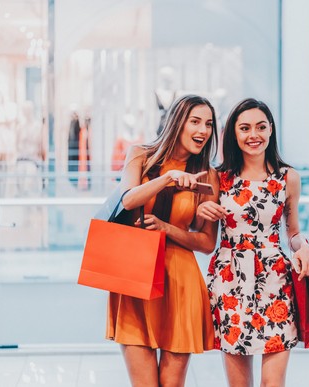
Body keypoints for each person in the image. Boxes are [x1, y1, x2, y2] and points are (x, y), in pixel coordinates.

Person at [196, 98, 309, 387]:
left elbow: (293, 232)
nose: (254, 135)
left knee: (273, 383)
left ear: (271, 130)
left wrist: (305, 246)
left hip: (275, 280)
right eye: (245, 128)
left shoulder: (288, 178)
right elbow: (203, 233)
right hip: (230, 281)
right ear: (233, 134)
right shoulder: (218, 178)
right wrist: (201, 211)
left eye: (261, 127)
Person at [106, 94, 219, 387]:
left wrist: (167, 228)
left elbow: (207, 243)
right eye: (195, 121)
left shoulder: (208, 176)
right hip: (135, 278)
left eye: (208, 124)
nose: (203, 130)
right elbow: (128, 199)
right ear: (176, 123)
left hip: (181, 282)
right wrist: (168, 178)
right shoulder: (140, 155)